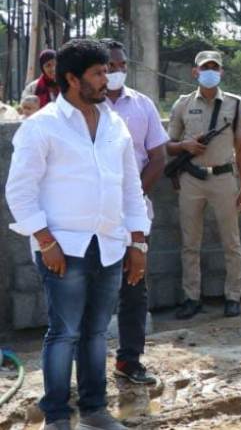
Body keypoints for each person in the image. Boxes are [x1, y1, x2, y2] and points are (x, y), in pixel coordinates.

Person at [6, 39, 149, 430]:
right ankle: (56, 416)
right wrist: (46, 242)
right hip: (63, 248)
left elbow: (129, 188)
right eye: (98, 73)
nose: (108, 79)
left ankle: (94, 411)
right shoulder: (42, 126)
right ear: (72, 79)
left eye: (108, 71)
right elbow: (19, 191)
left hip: (109, 246)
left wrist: (137, 242)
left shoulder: (113, 124)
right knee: (64, 333)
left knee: (96, 332)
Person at [102, 39, 170, 386]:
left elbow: (158, 157)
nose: (115, 72)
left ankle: (129, 361)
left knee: (133, 289)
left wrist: (134, 195)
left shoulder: (142, 105)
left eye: (121, 66)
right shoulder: (83, 107)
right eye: (109, 66)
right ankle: (85, 368)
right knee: (90, 292)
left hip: (134, 217)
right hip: (93, 216)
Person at [167, 50, 241, 319]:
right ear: (195, 72)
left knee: (231, 241)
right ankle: (192, 297)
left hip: (224, 179)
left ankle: (233, 296)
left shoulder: (235, 104)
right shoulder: (182, 104)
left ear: (222, 72)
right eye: (205, 68)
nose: (210, 72)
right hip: (191, 179)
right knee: (190, 243)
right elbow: (167, 145)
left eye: (215, 67)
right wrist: (185, 146)